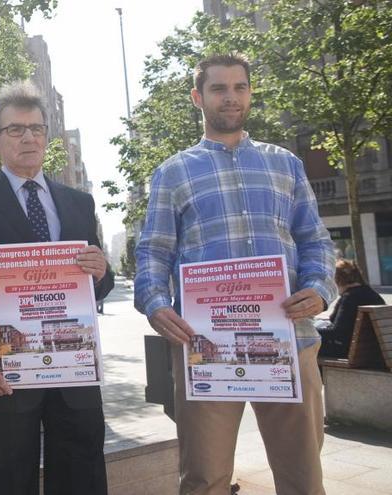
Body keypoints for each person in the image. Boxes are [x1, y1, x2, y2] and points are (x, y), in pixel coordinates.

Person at [134, 53, 337, 495]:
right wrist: (155, 305)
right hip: (206, 348)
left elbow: (316, 241)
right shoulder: (173, 172)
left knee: (304, 477)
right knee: (205, 478)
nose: (231, 97)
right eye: (219, 89)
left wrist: (320, 288)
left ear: (250, 93)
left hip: (290, 340)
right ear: (197, 97)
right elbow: (153, 250)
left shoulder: (286, 164)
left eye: (239, 87)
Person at [0, 81, 115, 495]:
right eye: (16, 129)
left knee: (82, 482)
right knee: (12, 485)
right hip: (4, 379)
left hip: (74, 377)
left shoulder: (78, 203)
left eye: (37, 128)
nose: (28, 137)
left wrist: (101, 272)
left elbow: (97, 289)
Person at [318, 259, 384, 358]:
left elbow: (337, 333)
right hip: (370, 349)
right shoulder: (372, 294)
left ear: (337, 280)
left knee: (308, 345)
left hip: (351, 352)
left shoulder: (350, 298)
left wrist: (311, 332)